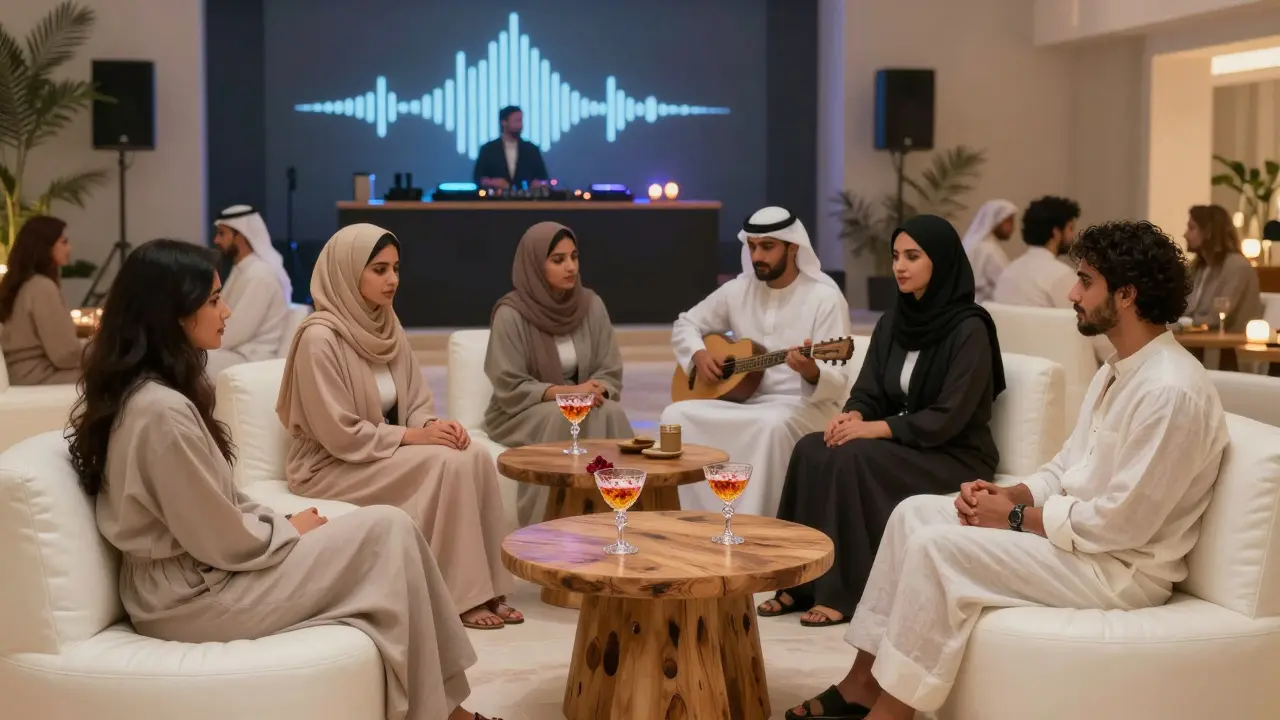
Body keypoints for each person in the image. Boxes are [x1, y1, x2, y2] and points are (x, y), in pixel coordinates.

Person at [784, 220, 1228, 720]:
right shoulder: (1117, 369)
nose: (1071, 292)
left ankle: (892, 711)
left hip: (1119, 570)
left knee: (937, 547)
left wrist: (1015, 519)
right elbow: (1066, 467)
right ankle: (862, 682)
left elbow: (1123, 525)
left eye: (1085, 280)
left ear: (1125, 294)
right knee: (912, 515)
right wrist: (1011, 495)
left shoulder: (1170, 391)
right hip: (1080, 542)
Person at [67, 238, 499, 720]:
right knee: (387, 535)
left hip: (199, 577)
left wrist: (279, 519)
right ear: (171, 313)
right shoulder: (161, 411)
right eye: (213, 300)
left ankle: (443, 709)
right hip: (187, 598)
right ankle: (446, 714)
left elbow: (216, 506)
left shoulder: (156, 396)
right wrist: (288, 530)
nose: (227, 309)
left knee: (389, 530)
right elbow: (218, 536)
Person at [763, 214, 1004, 628]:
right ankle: (798, 580)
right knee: (810, 448)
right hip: (906, 443)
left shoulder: (970, 329)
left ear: (941, 262)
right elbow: (870, 388)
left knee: (853, 458)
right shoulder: (894, 322)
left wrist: (872, 429)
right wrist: (853, 414)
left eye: (913, 256)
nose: (900, 266)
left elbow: (948, 417)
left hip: (953, 453)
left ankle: (846, 592)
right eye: (895, 256)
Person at [276, 223, 520, 631]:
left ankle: (489, 587)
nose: (392, 280)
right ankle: (459, 596)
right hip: (330, 465)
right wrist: (413, 437)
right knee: (445, 466)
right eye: (379, 269)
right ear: (347, 271)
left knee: (472, 453)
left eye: (395, 268)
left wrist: (435, 426)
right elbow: (340, 433)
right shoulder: (319, 338)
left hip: (377, 450)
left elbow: (415, 402)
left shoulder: (386, 324)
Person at [661, 206, 852, 517]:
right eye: (751, 247)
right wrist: (698, 354)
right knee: (676, 414)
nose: (757, 256)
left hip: (803, 406)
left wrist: (812, 371)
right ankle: (695, 519)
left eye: (767, 247)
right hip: (744, 399)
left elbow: (838, 380)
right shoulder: (738, 290)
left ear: (792, 248)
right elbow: (686, 323)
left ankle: (756, 524)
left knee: (771, 426)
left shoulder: (824, 298)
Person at [483, 221, 634, 526]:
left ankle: (619, 520)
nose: (571, 267)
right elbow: (509, 383)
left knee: (612, 414)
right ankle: (548, 526)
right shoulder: (511, 313)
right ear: (534, 265)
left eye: (574, 257)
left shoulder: (591, 305)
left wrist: (596, 390)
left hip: (584, 404)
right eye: (558, 260)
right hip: (520, 412)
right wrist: (569, 394)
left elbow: (609, 368)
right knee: (561, 416)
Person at [205, 205, 292, 379]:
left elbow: (236, 331)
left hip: (252, 358)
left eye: (222, 233)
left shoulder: (261, 275)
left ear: (240, 236)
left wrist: (200, 344)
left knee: (190, 361)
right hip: (233, 352)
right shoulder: (244, 269)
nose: (216, 240)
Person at [0, 215, 81, 385]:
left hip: (21, 376)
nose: (70, 248)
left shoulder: (21, 285)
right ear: (45, 246)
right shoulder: (41, 287)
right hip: (39, 377)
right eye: (64, 242)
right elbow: (65, 356)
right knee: (119, 379)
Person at [1183, 204, 1263, 332]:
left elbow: (1218, 318)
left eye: (1192, 228)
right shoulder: (1199, 267)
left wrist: (1183, 323)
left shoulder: (1237, 266)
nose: (1185, 235)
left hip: (1228, 347)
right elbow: (1184, 307)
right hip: (1199, 341)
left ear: (1209, 231)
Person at [993, 195, 1081, 308]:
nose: (1074, 235)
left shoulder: (1007, 272)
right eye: (1071, 228)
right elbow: (1078, 321)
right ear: (1056, 232)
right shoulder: (1063, 276)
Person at [473, 106, 549, 190]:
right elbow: (478, 178)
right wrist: (493, 182)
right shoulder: (488, 149)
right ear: (504, 122)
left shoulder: (531, 150)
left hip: (526, 201)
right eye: (517, 121)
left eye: (521, 121)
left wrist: (538, 184)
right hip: (495, 201)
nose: (521, 125)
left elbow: (543, 178)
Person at [960, 199, 1017, 303]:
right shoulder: (988, 249)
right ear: (997, 220)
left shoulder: (972, 243)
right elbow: (1006, 283)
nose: (1012, 228)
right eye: (1009, 221)